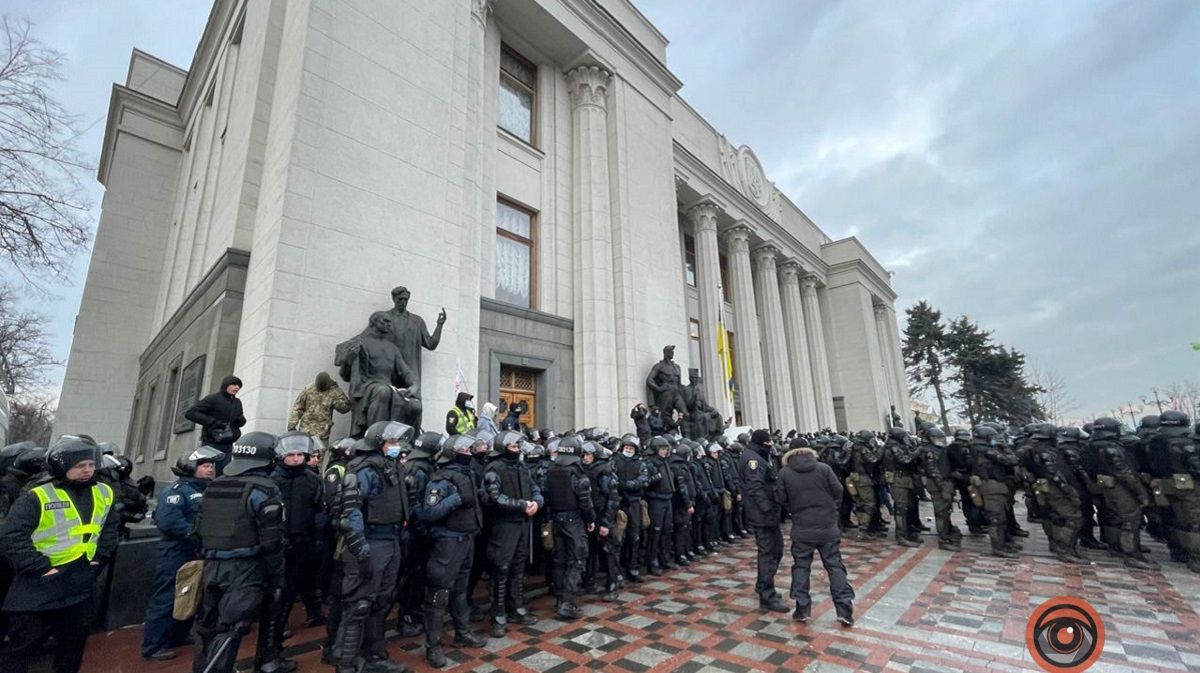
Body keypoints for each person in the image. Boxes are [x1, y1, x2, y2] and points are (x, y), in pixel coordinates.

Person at [0, 436, 119, 673]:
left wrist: (98, 560)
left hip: (80, 582)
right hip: (40, 584)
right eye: (80, 466)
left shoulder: (104, 492)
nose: (88, 470)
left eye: (91, 465)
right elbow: (11, 536)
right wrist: (41, 567)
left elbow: (109, 528)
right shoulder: (38, 495)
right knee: (19, 649)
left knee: (72, 647)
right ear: (63, 466)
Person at [191, 431, 288, 673]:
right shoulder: (265, 490)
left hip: (211, 565)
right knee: (232, 627)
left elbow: (197, 530)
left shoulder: (214, 486)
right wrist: (276, 577)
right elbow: (272, 541)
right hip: (246, 568)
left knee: (207, 627)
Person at [333, 422, 414, 673]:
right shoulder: (364, 469)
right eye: (391, 442)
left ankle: (375, 656)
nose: (396, 447)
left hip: (391, 540)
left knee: (381, 602)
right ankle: (345, 662)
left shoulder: (391, 466)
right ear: (378, 443)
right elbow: (350, 511)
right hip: (371, 541)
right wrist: (360, 547)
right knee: (359, 604)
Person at [141, 446, 223, 661]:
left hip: (197, 552)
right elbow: (169, 520)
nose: (210, 470)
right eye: (205, 466)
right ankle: (154, 645)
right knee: (167, 597)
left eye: (211, 466)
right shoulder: (177, 491)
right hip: (176, 552)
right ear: (190, 467)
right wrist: (194, 534)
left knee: (190, 595)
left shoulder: (206, 489)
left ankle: (178, 634)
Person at [417, 436, 487, 668]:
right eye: (465, 449)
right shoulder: (441, 478)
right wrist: (456, 499)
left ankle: (462, 632)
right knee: (438, 595)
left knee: (460, 590)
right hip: (447, 543)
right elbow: (429, 512)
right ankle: (433, 645)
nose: (469, 452)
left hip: (466, 540)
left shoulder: (467, 473)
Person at [776, 442, 854, 626]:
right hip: (827, 526)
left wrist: (793, 510)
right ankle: (844, 609)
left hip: (802, 527)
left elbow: (780, 498)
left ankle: (802, 608)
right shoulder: (823, 468)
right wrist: (831, 509)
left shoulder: (785, 473)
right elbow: (838, 491)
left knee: (801, 567)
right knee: (834, 565)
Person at [482, 430, 542, 638]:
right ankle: (498, 614)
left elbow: (534, 488)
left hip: (522, 523)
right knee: (502, 568)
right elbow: (496, 499)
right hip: (503, 526)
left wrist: (536, 503)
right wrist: (522, 505)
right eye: (513, 447)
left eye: (518, 447)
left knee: (519, 566)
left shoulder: (522, 467)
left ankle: (517, 606)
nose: (517, 450)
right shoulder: (493, 469)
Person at [271, 432, 326, 640]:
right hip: (281, 540)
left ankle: (314, 614)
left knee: (307, 579)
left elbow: (319, 509)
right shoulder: (273, 479)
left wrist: (318, 536)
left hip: (305, 538)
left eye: (299, 454)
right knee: (281, 585)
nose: (296, 459)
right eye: (291, 454)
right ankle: (279, 622)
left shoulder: (312, 479)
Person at [542, 436, 595, 620]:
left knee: (559, 560)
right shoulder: (577, 474)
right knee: (577, 560)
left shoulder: (551, 470)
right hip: (574, 521)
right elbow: (585, 503)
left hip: (556, 519)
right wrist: (591, 520)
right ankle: (568, 603)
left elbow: (546, 497)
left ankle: (559, 598)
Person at [739, 429, 787, 613]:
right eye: (768, 445)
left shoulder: (757, 455)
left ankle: (763, 585)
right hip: (763, 514)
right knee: (769, 553)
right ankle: (767, 596)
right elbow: (755, 487)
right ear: (762, 444)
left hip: (766, 513)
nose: (771, 448)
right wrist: (768, 509)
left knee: (776, 550)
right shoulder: (754, 460)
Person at [185, 376, 248, 471]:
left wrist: (241, 420)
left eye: (239, 386)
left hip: (228, 444)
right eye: (234, 384)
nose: (237, 388)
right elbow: (191, 413)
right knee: (207, 472)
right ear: (226, 385)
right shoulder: (212, 399)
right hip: (211, 443)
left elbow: (240, 418)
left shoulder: (237, 402)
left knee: (223, 473)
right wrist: (213, 423)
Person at [612, 435, 649, 582]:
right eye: (626, 448)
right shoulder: (615, 461)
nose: (628, 450)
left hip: (634, 501)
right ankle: (618, 570)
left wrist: (630, 484)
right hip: (619, 502)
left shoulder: (639, 463)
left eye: (631, 448)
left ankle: (632, 568)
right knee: (618, 536)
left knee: (635, 536)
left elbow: (643, 479)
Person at [288, 372, 352, 443]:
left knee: (321, 453)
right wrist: (292, 426)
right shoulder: (308, 389)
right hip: (306, 431)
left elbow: (345, 408)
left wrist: (337, 397)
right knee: (304, 452)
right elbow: (297, 408)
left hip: (322, 433)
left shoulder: (334, 392)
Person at [643, 436, 674, 575]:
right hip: (656, 500)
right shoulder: (650, 463)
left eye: (665, 449)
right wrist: (653, 480)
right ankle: (652, 560)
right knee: (655, 531)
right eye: (662, 449)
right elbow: (645, 483)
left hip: (667, 498)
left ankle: (664, 557)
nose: (664, 451)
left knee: (667, 530)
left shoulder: (665, 462)